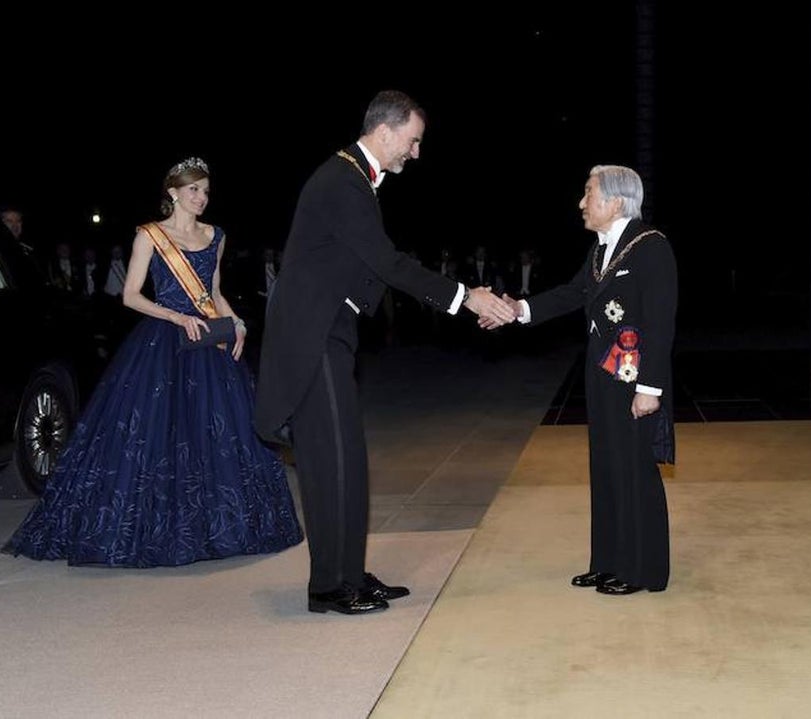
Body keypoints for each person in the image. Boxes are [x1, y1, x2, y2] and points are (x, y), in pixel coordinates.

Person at [253, 90, 515, 615]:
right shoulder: (342, 181)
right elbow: (389, 264)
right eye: (413, 141)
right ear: (387, 130)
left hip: (330, 336)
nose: (415, 153)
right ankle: (328, 587)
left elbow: (363, 267)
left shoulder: (351, 178)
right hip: (312, 342)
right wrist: (468, 298)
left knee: (349, 461)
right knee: (330, 465)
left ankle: (349, 573)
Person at [3, 157, 303, 566]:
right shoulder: (149, 235)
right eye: (194, 189)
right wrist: (176, 316)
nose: (201, 197)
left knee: (216, 434)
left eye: (206, 190)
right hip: (163, 342)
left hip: (209, 347)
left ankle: (221, 527)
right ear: (173, 192)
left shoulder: (216, 235)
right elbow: (131, 295)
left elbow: (213, 291)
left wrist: (235, 322)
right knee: (157, 436)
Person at [496, 164, 677, 595]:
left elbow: (660, 321)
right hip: (601, 376)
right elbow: (571, 294)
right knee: (606, 466)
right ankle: (609, 561)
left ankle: (641, 569)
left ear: (615, 201)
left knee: (634, 470)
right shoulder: (601, 251)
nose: (582, 203)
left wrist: (649, 389)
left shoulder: (651, 247)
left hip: (634, 381)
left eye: (588, 193)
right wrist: (519, 310)